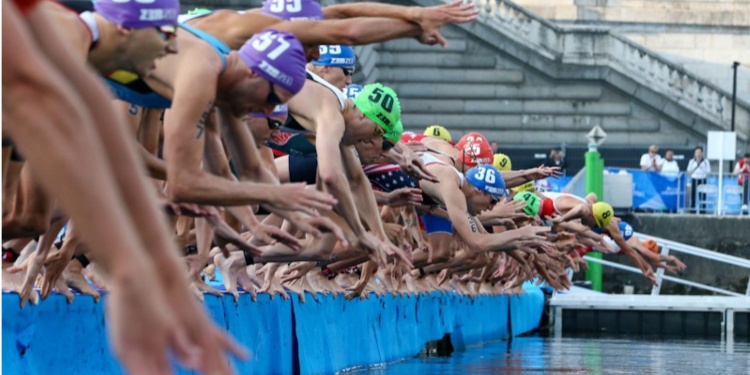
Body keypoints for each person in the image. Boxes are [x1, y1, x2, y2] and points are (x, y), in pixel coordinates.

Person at [686, 146, 711, 213]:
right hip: (694, 178)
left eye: (699, 152)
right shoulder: (691, 161)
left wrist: (701, 167)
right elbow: (688, 170)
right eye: (697, 152)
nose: (698, 154)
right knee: (693, 195)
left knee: (703, 195)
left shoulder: (706, 161)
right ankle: (692, 209)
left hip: (702, 179)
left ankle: (703, 209)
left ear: (702, 153)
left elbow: (708, 171)